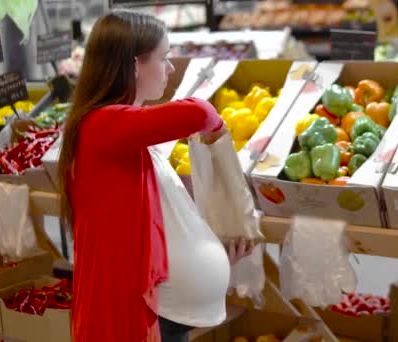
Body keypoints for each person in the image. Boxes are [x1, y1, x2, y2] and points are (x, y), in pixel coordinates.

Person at [58, 9, 253, 342]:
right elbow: (198, 112)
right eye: (164, 58)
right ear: (134, 65)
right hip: (140, 317)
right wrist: (216, 131)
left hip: (162, 315)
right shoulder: (102, 125)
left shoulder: (122, 129)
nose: (171, 68)